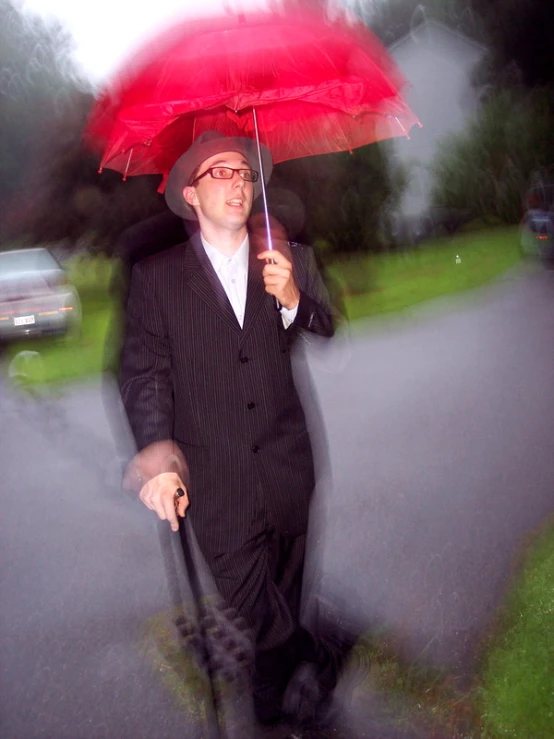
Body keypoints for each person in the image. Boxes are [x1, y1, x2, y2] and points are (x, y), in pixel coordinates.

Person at [119, 130, 345, 733]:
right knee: (260, 608)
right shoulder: (157, 279)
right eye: (221, 173)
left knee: (287, 594)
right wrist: (157, 456)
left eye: (244, 173)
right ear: (190, 194)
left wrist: (294, 297)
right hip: (215, 483)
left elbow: (328, 324)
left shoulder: (286, 254)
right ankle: (315, 653)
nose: (238, 182)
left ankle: (273, 710)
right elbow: (145, 374)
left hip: (290, 466)